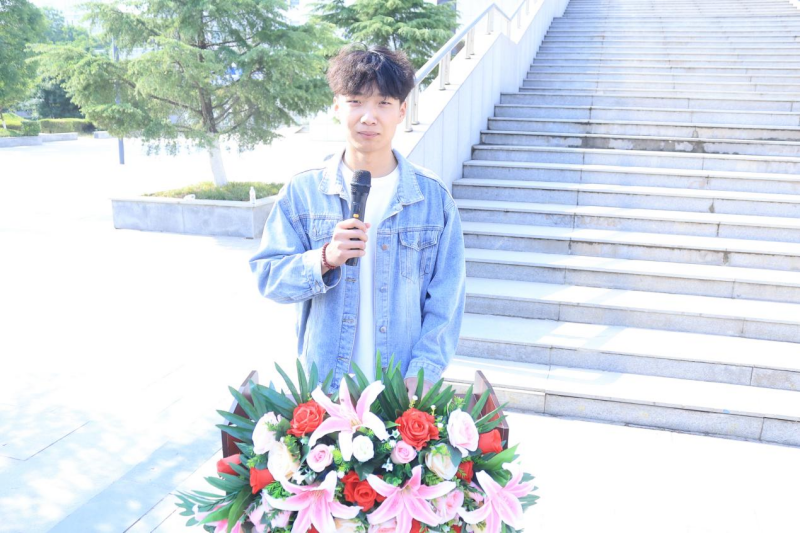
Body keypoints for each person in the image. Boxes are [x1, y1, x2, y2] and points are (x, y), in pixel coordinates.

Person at [249, 45, 466, 399]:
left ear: (402, 110)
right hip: (324, 395)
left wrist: (423, 373)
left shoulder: (433, 199)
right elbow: (268, 276)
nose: (369, 116)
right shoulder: (304, 192)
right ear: (336, 106)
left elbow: (447, 301)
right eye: (356, 102)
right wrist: (324, 259)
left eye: (383, 103)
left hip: (399, 396)